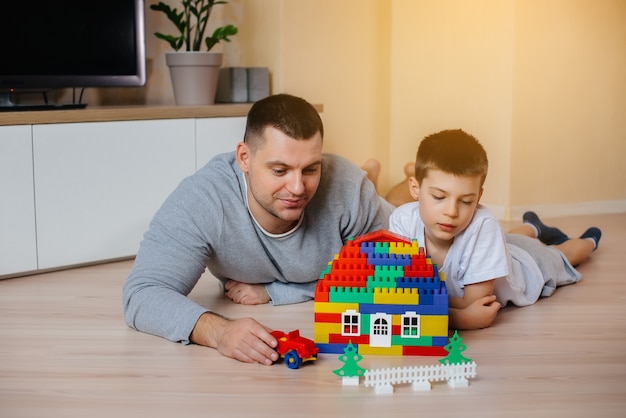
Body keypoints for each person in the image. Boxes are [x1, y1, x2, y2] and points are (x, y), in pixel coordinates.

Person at [122, 93, 394, 365]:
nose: (298, 188)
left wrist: (275, 292)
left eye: (310, 169)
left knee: (413, 209)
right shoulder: (203, 198)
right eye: (279, 170)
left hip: (399, 217)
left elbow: (386, 276)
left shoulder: (348, 187)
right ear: (244, 158)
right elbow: (142, 294)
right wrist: (219, 331)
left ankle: (393, 185)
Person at [388, 129, 601, 330]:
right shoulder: (401, 220)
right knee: (507, 239)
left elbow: (473, 304)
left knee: (565, 254)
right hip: (499, 247)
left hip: (527, 266)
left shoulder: (485, 226)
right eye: (439, 197)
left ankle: (590, 240)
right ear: (415, 189)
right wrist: (458, 315)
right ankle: (533, 226)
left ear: (478, 197)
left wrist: (427, 307)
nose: (451, 212)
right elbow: (400, 290)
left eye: (466, 201)